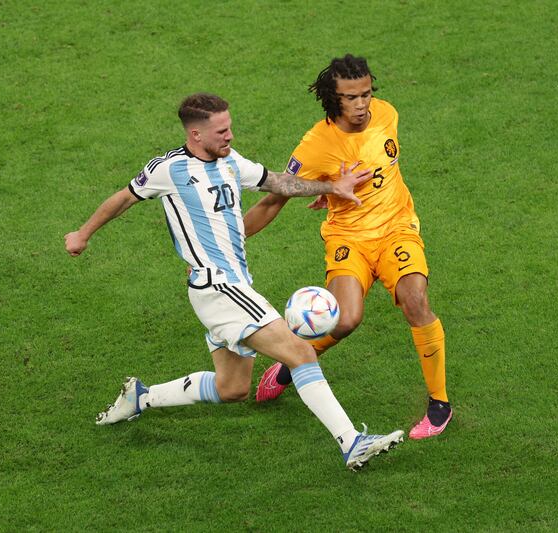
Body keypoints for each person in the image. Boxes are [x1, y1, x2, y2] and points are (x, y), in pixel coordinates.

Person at [64, 92, 404, 470]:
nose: (230, 136)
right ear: (196, 134)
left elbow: (280, 183)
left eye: (230, 127)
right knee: (301, 352)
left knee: (232, 388)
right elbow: (123, 198)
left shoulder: (231, 162)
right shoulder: (170, 169)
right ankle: (351, 442)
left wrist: (331, 187)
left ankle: (141, 398)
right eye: (221, 131)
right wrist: (83, 234)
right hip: (219, 286)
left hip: (230, 286)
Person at [245, 55, 453, 440]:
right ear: (331, 98)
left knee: (416, 300)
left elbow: (383, 172)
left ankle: (439, 403)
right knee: (345, 320)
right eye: (351, 98)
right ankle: (292, 365)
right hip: (348, 239)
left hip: (396, 229)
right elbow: (273, 200)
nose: (362, 105)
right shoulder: (315, 145)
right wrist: (232, 239)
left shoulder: (387, 114)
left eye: (366, 94)